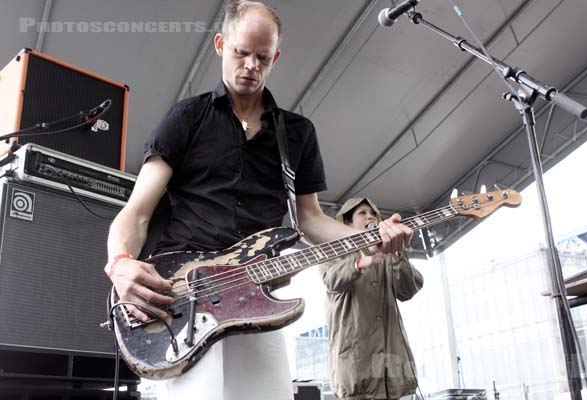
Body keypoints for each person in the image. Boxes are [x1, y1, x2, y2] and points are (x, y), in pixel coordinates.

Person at [104, 1, 413, 399]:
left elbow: (311, 220)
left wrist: (375, 236)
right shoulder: (187, 117)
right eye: (241, 53)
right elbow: (137, 211)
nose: (251, 65)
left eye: (263, 57)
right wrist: (120, 263)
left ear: (276, 57)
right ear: (220, 44)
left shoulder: (297, 133)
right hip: (184, 291)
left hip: (253, 292)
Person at [320, 198, 423, 400]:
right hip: (356, 357)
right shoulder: (334, 252)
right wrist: (359, 263)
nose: (370, 217)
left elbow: (409, 289)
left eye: (373, 214)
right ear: (347, 223)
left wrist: (396, 254)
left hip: (390, 360)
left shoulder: (387, 255)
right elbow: (331, 280)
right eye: (362, 213)